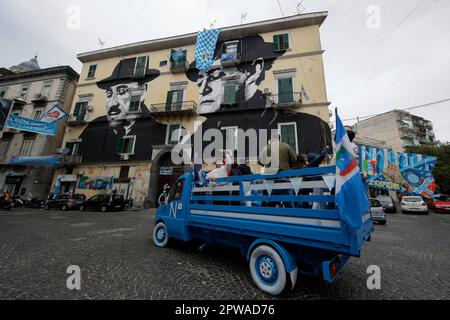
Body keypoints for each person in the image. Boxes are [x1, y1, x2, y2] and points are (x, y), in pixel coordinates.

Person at [79, 57, 167, 163]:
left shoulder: (161, 130)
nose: (113, 102)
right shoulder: (91, 129)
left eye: (121, 91)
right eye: (109, 94)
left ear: (143, 91)